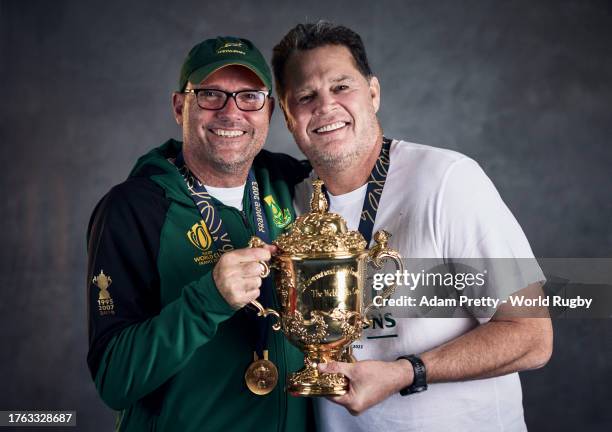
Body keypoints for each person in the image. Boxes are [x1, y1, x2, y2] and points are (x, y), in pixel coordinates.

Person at [271, 22, 553, 431]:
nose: (326, 106)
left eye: (341, 87)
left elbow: (532, 336)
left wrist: (407, 372)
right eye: (306, 96)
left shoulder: (447, 180)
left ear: (373, 93)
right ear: (287, 113)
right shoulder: (288, 204)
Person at [86, 36, 311, 432]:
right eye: (210, 95)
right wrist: (207, 300)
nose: (231, 112)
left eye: (249, 97)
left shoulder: (290, 184)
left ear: (269, 110)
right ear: (179, 106)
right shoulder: (133, 209)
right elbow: (113, 379)